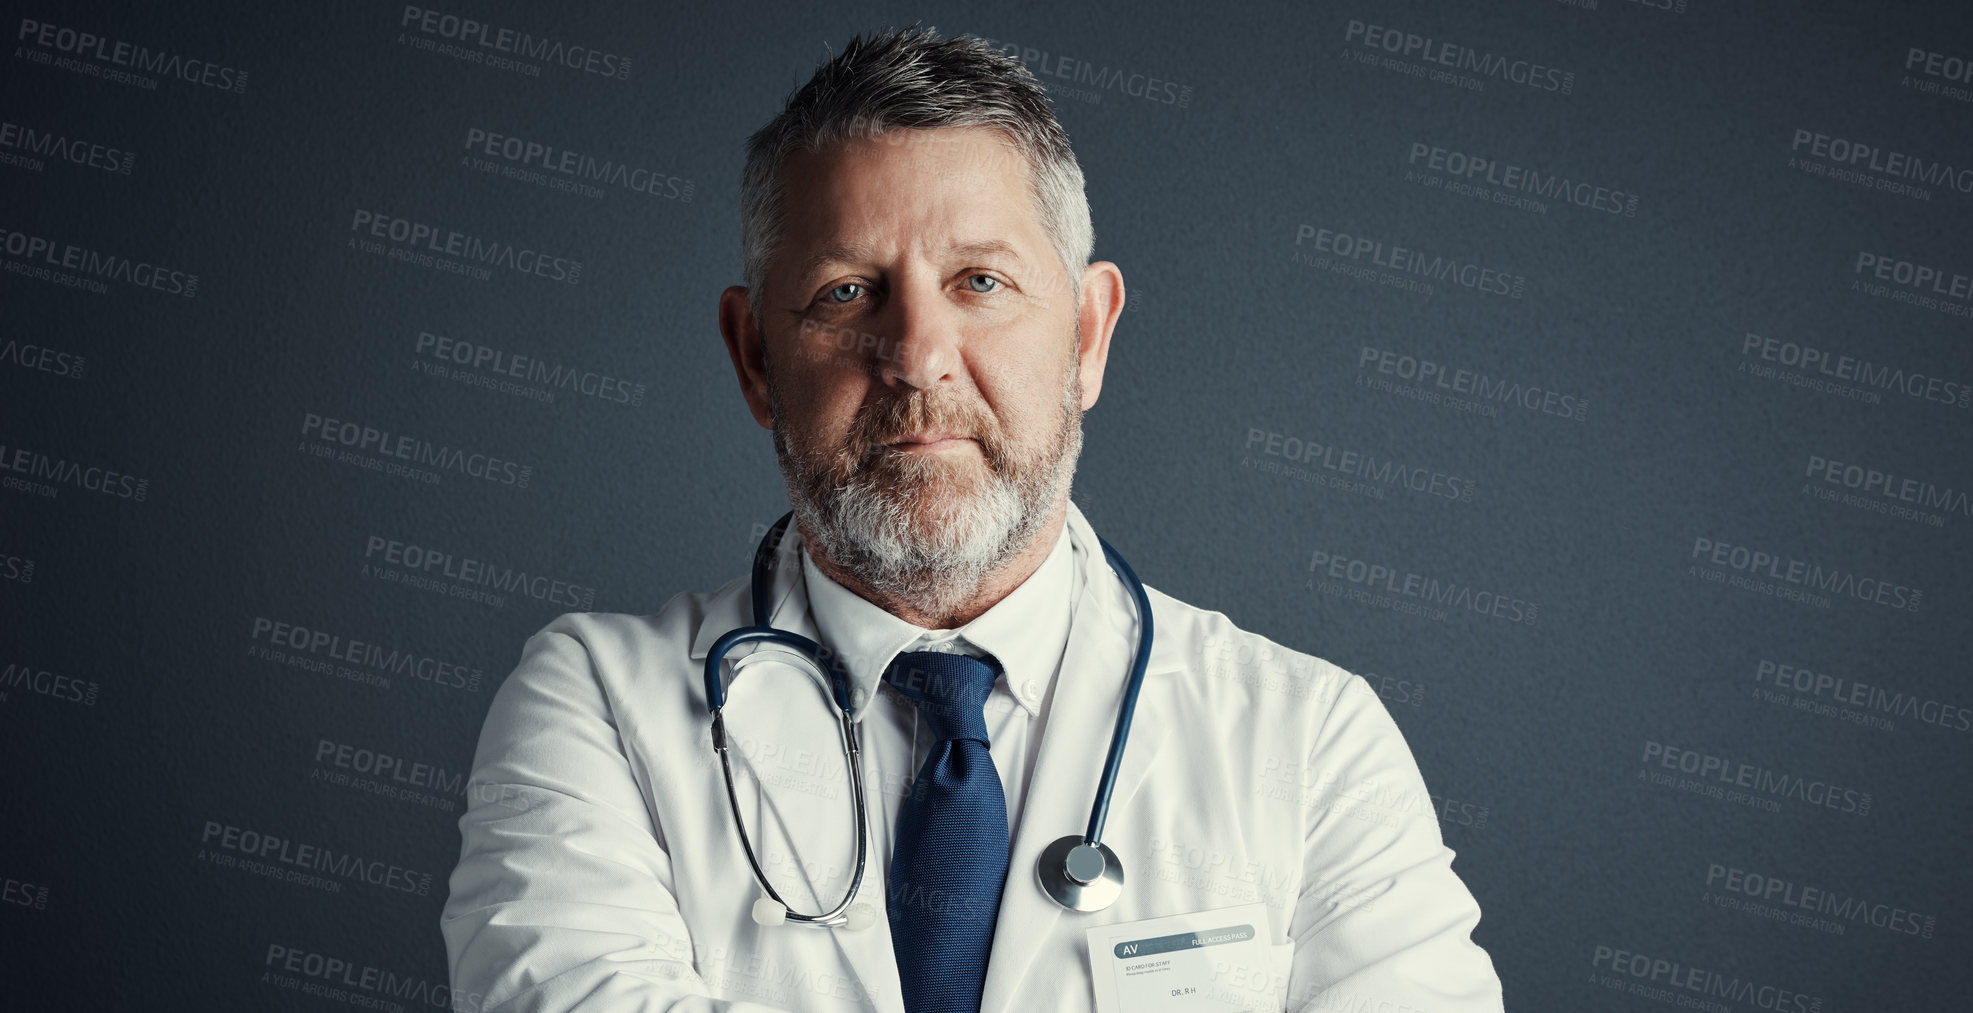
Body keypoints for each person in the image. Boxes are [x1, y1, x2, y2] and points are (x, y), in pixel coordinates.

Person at [441, 25, 1504, 1013]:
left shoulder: (1310, 739)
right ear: (754, 356)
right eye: (847, 293)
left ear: (1086, 334)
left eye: (979, 281)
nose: (916, 355)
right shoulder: (596, 710)